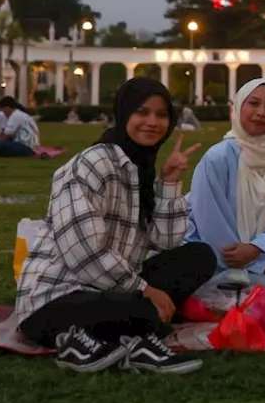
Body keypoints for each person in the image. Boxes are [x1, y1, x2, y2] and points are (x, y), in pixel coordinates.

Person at [15, 78, 211, 373]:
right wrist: (144, 289)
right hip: (59, 295)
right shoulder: (93, 163)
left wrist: (169, 183)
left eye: (161, 115)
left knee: (199, 256)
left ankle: (122, 327)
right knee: (145, 311)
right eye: (142, 112)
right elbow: (84, 254)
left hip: (114, 284)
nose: (152, 122)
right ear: (124, 114)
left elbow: (167, 241)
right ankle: (128, 332)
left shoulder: (140, 169)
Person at [185, 79, 265, 286]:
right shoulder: (218, 158)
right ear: (237, 107)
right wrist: (258, 262)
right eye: (253, 103)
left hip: (259, 256)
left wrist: (256, 250)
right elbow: (211, 227)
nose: (261, 112)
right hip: (210, 259)